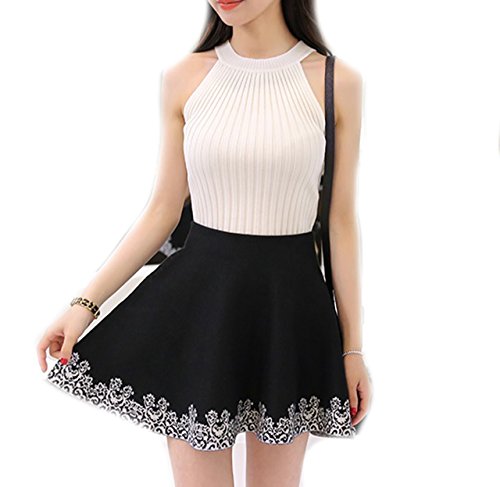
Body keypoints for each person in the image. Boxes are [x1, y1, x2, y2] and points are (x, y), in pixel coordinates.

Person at [36, 1, 372, 485]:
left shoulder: (337, 83)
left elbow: (340, 221)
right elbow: (162, 211)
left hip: (289, 316)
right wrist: (84, 305)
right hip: (201, 314)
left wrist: (352, 349)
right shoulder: (185, 77)